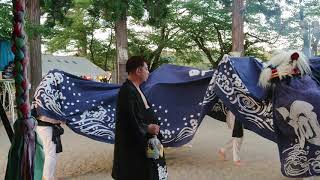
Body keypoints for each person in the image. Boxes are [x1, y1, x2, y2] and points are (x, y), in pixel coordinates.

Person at [112, 56, 168, 180]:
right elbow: (129, 121)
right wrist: (148, 128)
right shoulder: (127, 91)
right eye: (146, 69)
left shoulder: (135, 89)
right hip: (135, 148)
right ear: (138, 71)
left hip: (146, 143)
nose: (148, 72)